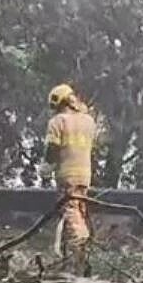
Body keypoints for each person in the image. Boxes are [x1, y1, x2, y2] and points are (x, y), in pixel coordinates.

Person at [44, 83, 96, 273]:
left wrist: (46, 166)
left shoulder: (58, 122)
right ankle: (70, 262)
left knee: (71, 216)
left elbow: (51, 150)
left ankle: (81, 252)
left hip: (67, 176)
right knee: (79, 212)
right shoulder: (89, 121)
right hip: (84, 176)